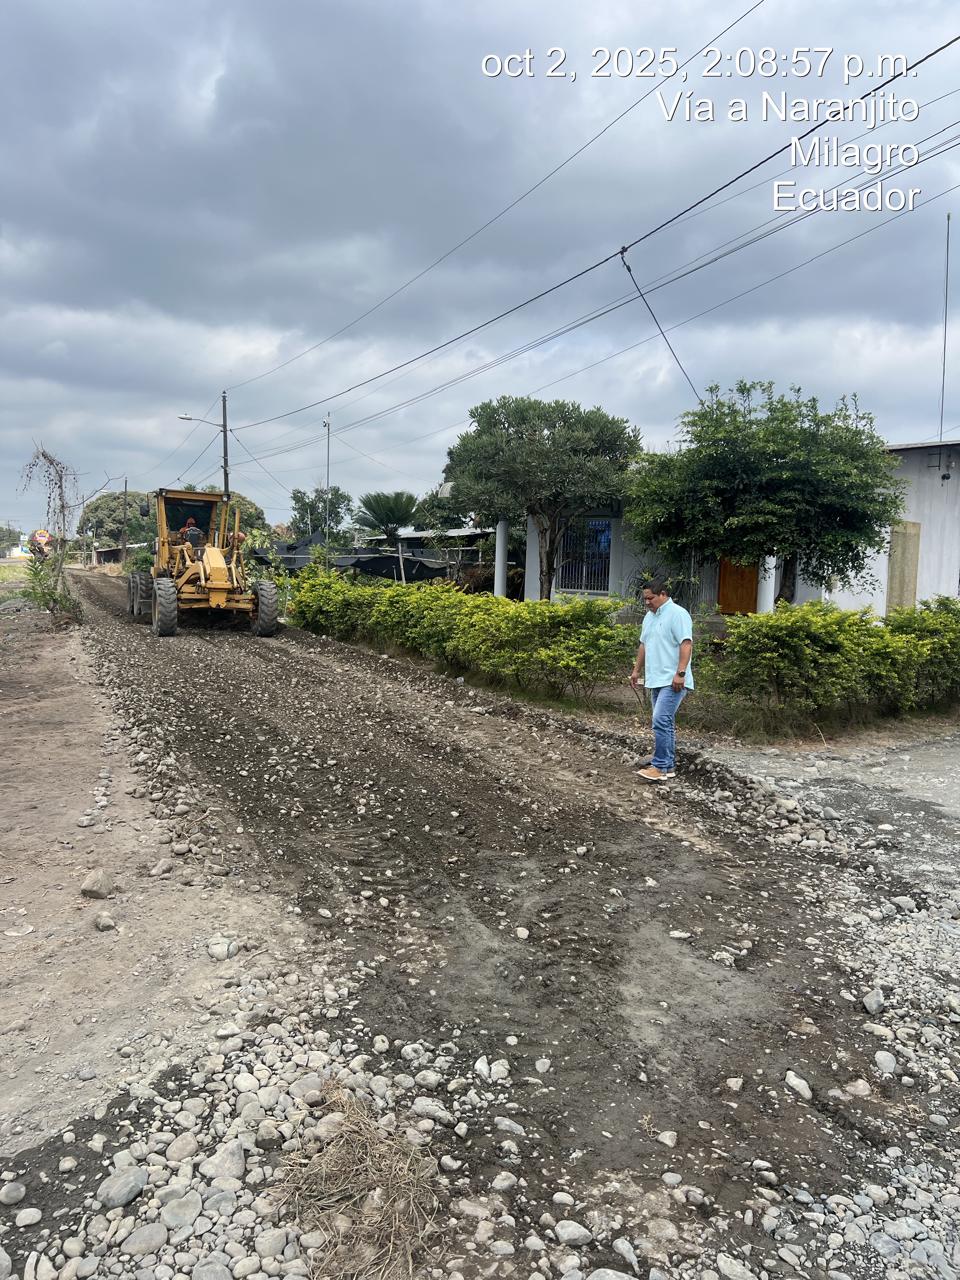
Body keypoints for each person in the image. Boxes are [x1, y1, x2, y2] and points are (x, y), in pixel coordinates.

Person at [629, 581, 693, 783]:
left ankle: (660, 767)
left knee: (660, 720)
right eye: (645, 599)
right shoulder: (649, 617)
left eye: (651, 598)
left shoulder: (678, 614)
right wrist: (636, 670)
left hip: (673, 680)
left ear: (663, 594)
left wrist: (680, 673)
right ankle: (668, 765)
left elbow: (686, 643)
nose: (647, 602)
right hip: (655, 678)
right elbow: (644, 644)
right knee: (666, 722)